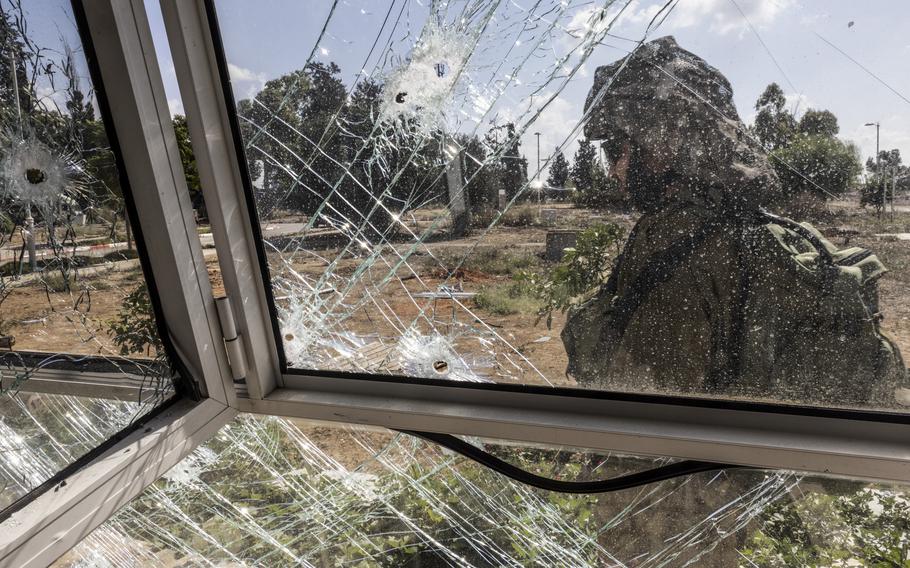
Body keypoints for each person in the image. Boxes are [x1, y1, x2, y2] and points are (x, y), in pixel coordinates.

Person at [562, 36, 905, 407]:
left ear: (664, 140)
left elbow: (645, 406)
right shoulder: (772, 229)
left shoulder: (673, 241)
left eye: (616, 148)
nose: (613, 169)